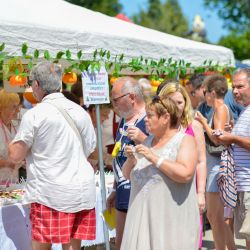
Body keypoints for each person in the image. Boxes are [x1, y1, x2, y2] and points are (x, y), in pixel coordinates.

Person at [8, 62, 97, 250]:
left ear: (37, 85)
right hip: (80, 189)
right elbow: (89, 149)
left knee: (41, 246)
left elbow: (15, 155)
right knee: (72, 246)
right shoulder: (81, 111)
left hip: (50, 192)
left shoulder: (35, 114)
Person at [121, 95, 200, 250]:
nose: (145, 119)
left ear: (166, 117)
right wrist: (130, 160)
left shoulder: (184, 140)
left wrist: (154, 158)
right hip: (140, 222)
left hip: (169, 225)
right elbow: (126, 175)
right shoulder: (147, 142)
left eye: (149, 116)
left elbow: (186, 174)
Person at [159, 83, 206, 249]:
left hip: (189, 190)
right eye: (171, 102)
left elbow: (201, 162)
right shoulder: (159, 127)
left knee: (190, 238)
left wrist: (201, 194)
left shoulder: (194, 126)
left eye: (180, 102)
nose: (176, 107)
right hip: (164, 191)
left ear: (186, 103)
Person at [106, 77, 148, 250]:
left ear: (131, 97)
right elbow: (119, 157)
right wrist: (115, 190)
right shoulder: (124, 119)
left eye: (116, 100)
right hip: (123, 192)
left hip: (142, 193)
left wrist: (144, 139)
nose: (114, 105)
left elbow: (165, 152)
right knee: (122, 245)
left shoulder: (150, 118)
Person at [195, 75, 236, 250]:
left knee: (214, 216)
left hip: (216, 165)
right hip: (215, 164)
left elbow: (217, 138)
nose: (204, 96)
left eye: (205, 92)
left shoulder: (220, 109)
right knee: (215, 216)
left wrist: (203, 122)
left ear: (212, 92)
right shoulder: (220, 109)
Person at [213, 68, 250, 250]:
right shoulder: (245, 111)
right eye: (233, 87)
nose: (234, 91)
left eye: (240, 86)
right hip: (242, 185)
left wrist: (233, 138)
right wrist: (232, 133)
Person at [0, 90, 25, 184]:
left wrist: (24, 161)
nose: (18, 110)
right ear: (1, 108)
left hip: (13, 182)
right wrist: (7, 164)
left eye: (18, 106)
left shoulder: (17, 126)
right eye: (13, 107)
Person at [87, 103, 113, 171]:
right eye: (104, 114)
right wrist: (107, 157)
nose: (107, 118)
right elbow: (87, 151)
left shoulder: (98, 124)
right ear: (94, 110)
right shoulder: (85, 123)